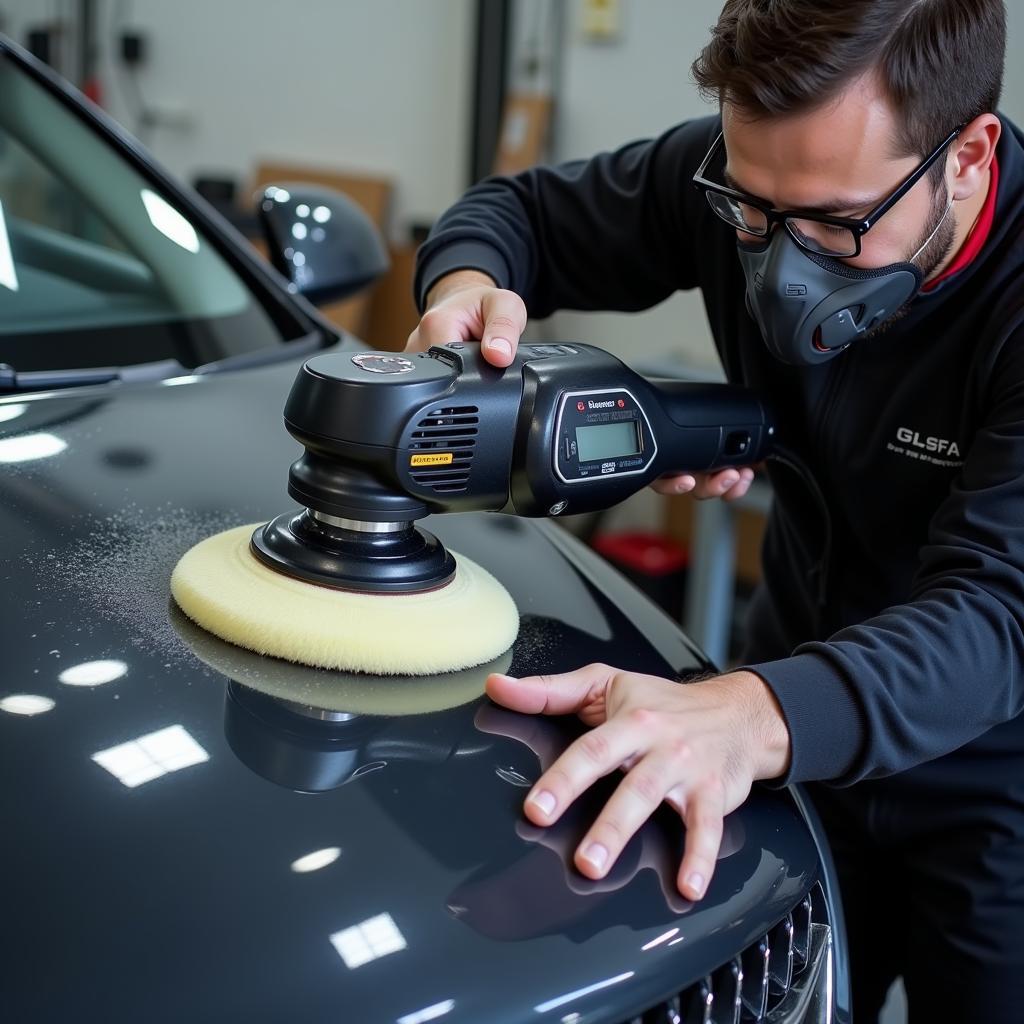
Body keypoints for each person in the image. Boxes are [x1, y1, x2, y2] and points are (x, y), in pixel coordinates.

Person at [407, 1, 1023, 1018]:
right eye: (750, 215)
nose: (779, 268)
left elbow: (998, 615)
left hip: (990, 777)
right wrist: (469, 292)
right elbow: (516, 216)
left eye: (835, 224)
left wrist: (746, 716)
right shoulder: (744, 175)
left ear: (968, 154)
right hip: (788, 723)